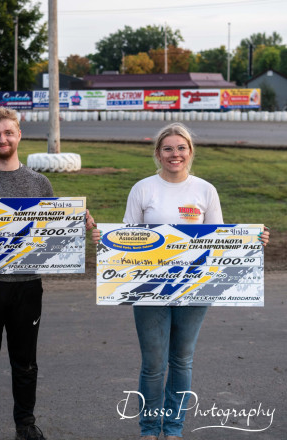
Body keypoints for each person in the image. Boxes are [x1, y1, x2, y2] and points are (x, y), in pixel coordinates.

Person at [92, 122, 269, 440]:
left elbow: (218, 240)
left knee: (182, 360)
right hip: (149, 288)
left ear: (190, 151)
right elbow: (126, 238)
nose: (175, 154)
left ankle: (173, 429)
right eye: (168, 148)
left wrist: (252, 242)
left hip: (194, 289)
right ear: (158, 153)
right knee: (153, 364)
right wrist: (104, 240)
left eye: (181, 148)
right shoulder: (143, 189)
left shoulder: (205, 190)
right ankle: (149, 429)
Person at [0, 107, 95, 440]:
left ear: (19, 135)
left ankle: (26, 425)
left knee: (25, 361)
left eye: (8, 132)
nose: (1, 139)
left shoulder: (39, 182)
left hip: (27, 286)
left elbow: (53, 230)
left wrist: (77, 222)